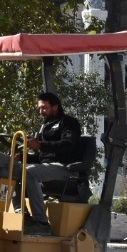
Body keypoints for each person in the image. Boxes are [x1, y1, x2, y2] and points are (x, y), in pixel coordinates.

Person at [22, 91, 81, 234]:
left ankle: (41, 223)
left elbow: (67, 145)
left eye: (44, 108)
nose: (41, 111)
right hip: (47, 167)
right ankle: (22, 213)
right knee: (14, 169)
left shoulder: (68, 123)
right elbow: (42, 157)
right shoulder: (45, 127)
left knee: (29, 173)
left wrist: (41, 145)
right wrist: (22, 157)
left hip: (65, 168)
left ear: (55, 107)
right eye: (39, 108)